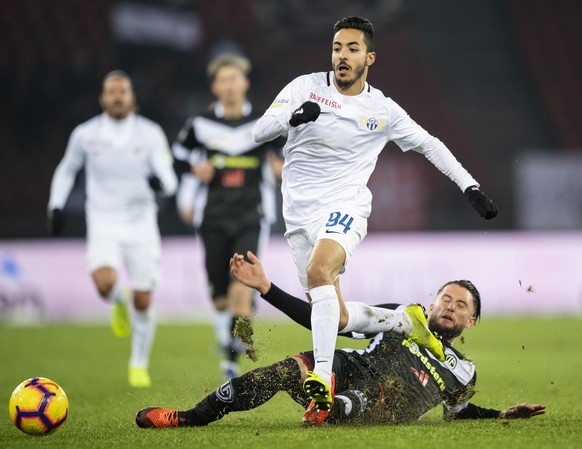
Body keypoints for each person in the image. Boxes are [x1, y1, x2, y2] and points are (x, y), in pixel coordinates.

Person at [251, 16, 499, 412]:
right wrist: (293, 118)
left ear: (369, 57)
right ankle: (353, 344)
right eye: (336, 48)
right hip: (298, 215)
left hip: (346, 206)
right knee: (330, 308)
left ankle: (322, 376)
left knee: (320, 272)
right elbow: (259, 132)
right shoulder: (304, 87)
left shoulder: (381, 110)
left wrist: (470, 186)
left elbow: (430, 145)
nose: (341, 57)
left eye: (351, 49)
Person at [134, 251, 544, 428]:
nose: (450, 307)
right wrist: (267, 288)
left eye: (461, 305)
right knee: (274, 375)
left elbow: (458, 414)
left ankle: (328, 407)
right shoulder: (406, 317)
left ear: (472, 321)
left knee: (387, 388)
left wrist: (502, 416)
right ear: (433, 303)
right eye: (445, 298)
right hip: (348, 369)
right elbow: (329, 320)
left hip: (382, 400)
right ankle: (188, 418)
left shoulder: (464, 372)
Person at [47, 70, 178, 388]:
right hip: (103, 220)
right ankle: (118, 300)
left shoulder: (150, 133)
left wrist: (160, 184)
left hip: (140, 222)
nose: (118, 96)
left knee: (144, 300)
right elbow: (67, 170)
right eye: (111, 91)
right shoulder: (85, 134)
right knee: (104, 284)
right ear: (102, 98)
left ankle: (138, 364)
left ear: (132, 97)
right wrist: (56, 205)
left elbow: (170, 179)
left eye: (123, 91)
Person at [172, 54, 284, 380]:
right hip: (213, 217)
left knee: (240, 286)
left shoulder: (264, 124)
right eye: (224, 80)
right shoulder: (200, 125)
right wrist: (194, 169)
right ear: (215, 87)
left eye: (235, 79)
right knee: (220, 299)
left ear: (245, 83)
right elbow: (177, 158)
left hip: (252, 215)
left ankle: (233, 361)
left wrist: (279, 167)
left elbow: (286, 154)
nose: (230, 86)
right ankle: (233, 337)